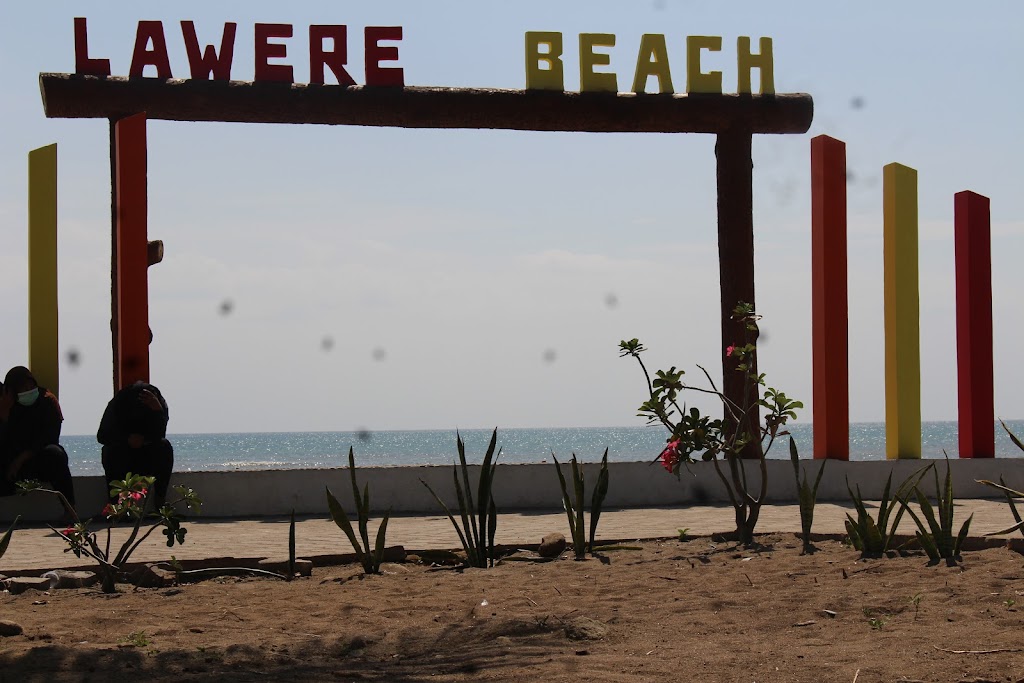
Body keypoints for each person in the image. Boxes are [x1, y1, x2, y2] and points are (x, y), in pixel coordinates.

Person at [0, 366, 76, 516]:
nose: (28, 390)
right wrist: (5, 415)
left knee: (56, 454)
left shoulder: (47, 401)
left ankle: (70, 510)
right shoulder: (7, 404)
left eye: (30, 385)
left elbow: (49, 437)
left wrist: (21, 459)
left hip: (37, 459)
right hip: (9, 461)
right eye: (22, 388)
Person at [97, 381, 174, 507]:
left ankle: (160, 502)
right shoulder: (119, 404)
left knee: (165, 447)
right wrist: (126, 439)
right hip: (124, 457)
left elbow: (160, 434)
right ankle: (116, 504)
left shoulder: (158, 404)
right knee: (108, 451)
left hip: (146, 456)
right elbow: (102, 436)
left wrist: (158, 411)